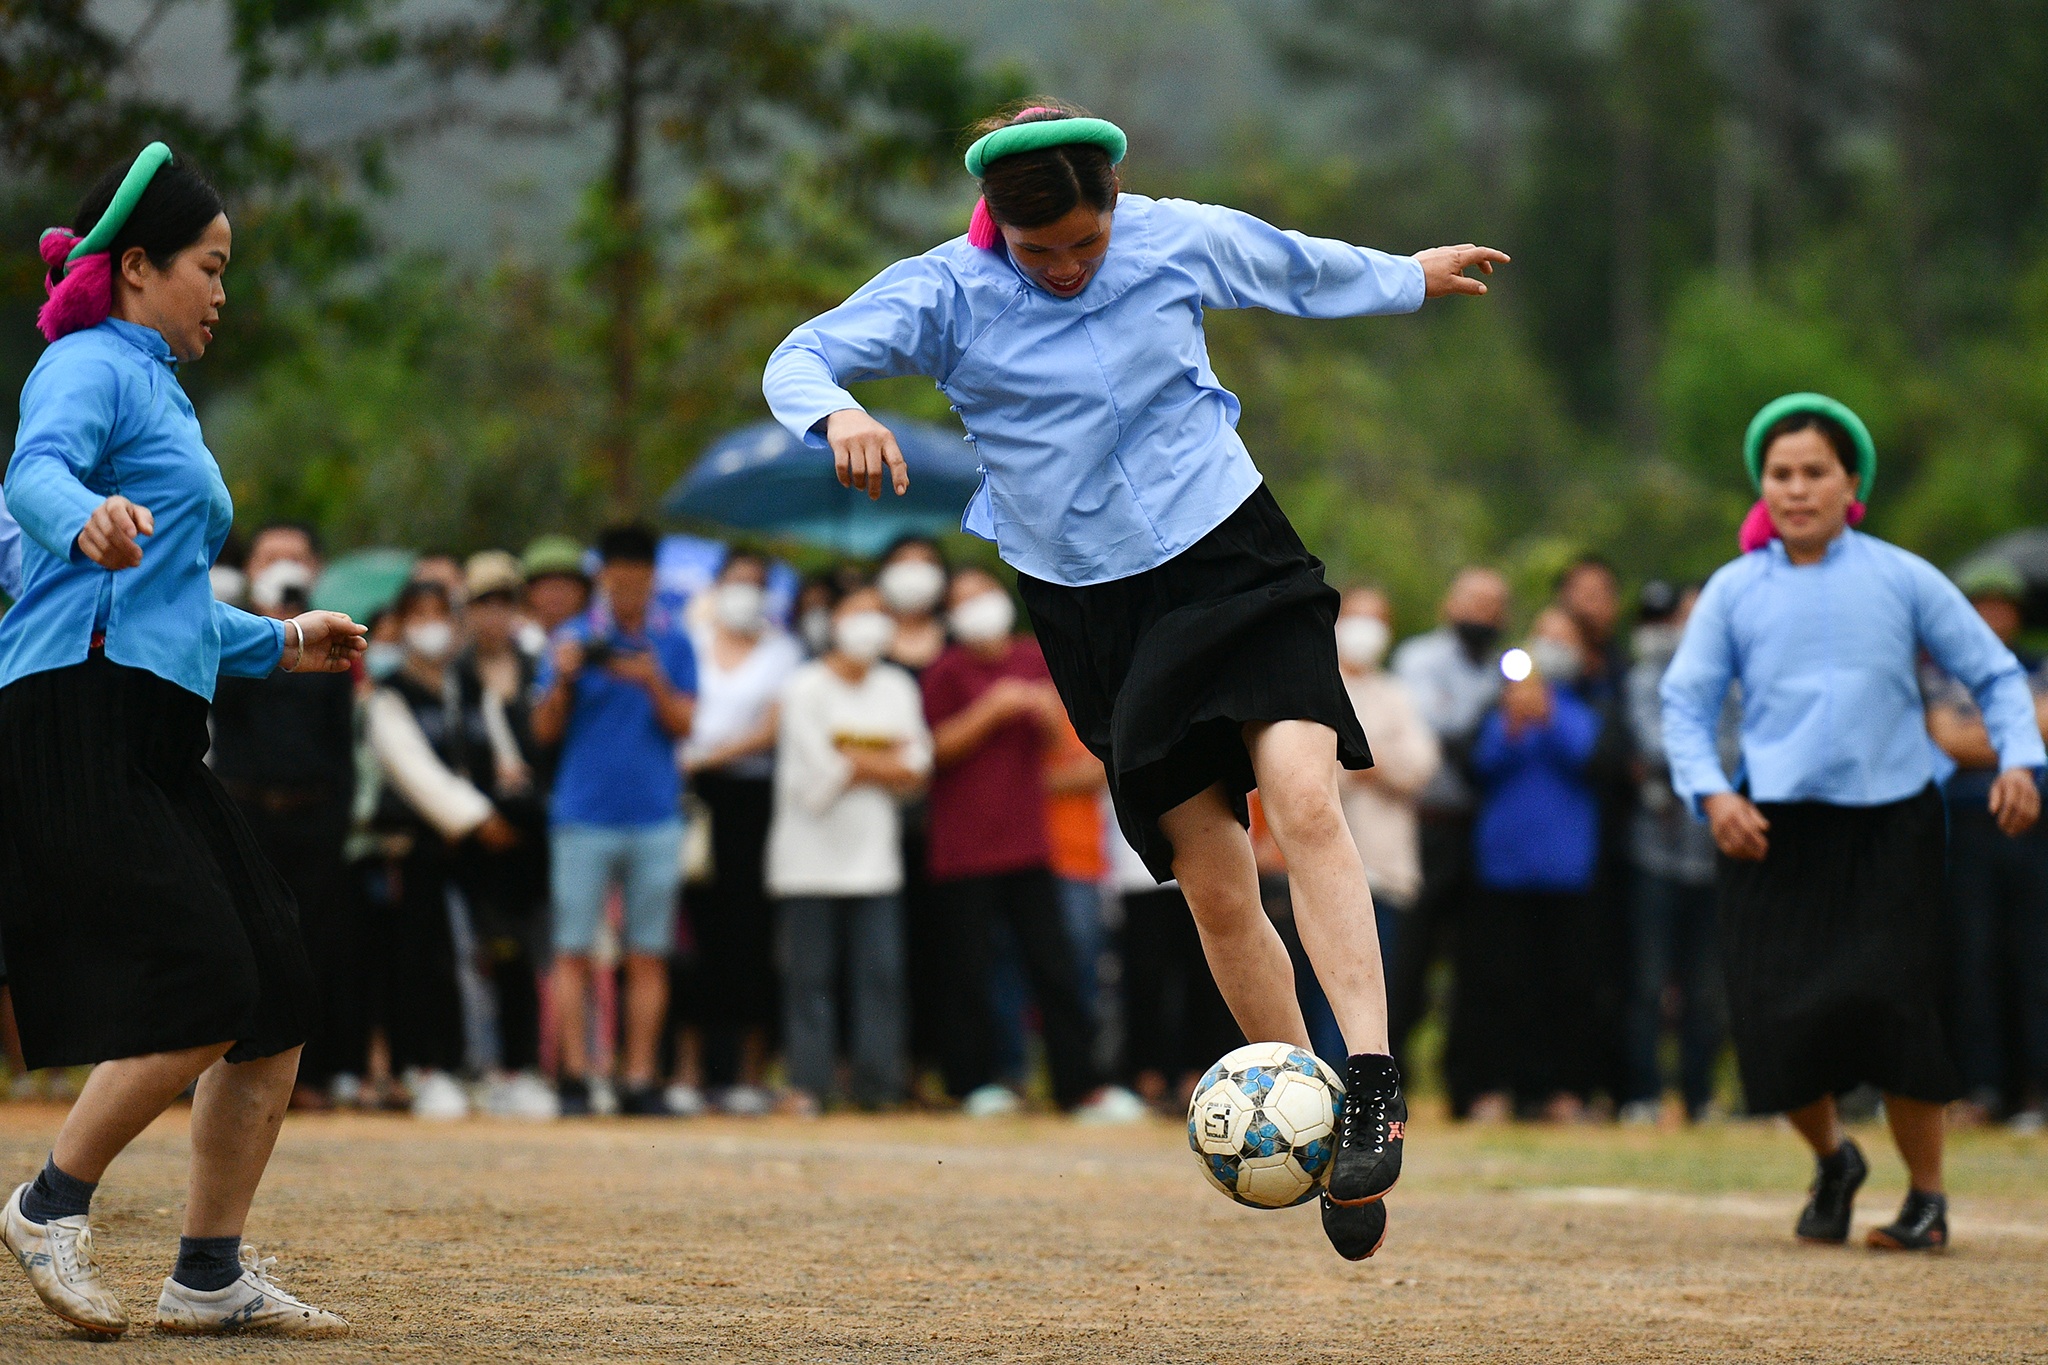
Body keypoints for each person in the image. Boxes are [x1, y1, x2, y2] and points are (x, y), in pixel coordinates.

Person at [762, 98, 1506, 1258]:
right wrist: (839, 411)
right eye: (1038, 250)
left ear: (1113, 205)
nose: (1064, 268)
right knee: (1210, 882)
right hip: (1089, 608)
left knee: (1303, 802)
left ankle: (1367, 1080)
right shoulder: (944, 294)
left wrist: (1408, 276)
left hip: (1230, 556)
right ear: (993, 228)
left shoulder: (1168, 236)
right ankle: (1298, 1117)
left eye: (1084, 244)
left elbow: (1291, 268)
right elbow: (797, 355)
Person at [0, 144, 361, 1337]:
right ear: (138, 265)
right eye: (208, 267)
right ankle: (49, 1204)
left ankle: (207, 1274)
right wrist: (80, 520)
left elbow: (167, 607)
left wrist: (282, 639)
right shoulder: (89, 364)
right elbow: (34, 475)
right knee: (202, 980)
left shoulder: (158, 385)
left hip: (149, 717)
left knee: (277, 992)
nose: (220, 290)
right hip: (76, 711)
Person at [1661, 393, 2045, 1252]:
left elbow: (1993, 672)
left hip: (1891, 824)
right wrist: (1713, 794)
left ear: (1850, 483)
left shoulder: (1901, 576)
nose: (1795, 489)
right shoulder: (1734, 589)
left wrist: (2020, 758)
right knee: (1774, 1017)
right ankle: (1835, 1159)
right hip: (1770, 827)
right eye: (1780, 473)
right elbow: (1683, 705)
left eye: (1814, 473)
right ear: (1763, 485)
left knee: (1895, 1007)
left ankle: (1928, 1199)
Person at [919, 567, 1133, 1120]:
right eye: (963, 600)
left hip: (1031, 844)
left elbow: (1067, 741)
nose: (977, 608)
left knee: (1055, 967)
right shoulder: (944, 672)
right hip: (963, 848)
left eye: (982, 595)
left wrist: (1041, 715)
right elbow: (931, 752)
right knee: (968, 970)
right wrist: (991, 710)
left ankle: (1078, 1085)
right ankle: (971, 1083)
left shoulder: (1034, 660)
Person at [531, 524, 697, 1117]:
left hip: (655, 815)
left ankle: (640, 1078)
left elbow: (685, 726)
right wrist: (567, 679)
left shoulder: (673, 641)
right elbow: (544, 732)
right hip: (583, 814)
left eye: (639, 582)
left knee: (648, 953)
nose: (628, 593)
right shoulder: (572, 639)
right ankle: (574, 1076)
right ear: (603, 578)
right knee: (572, 949)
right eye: (618, 581)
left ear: (653, 579)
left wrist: (652, 679)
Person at [209, 523, 361, 1113]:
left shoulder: (338, 637)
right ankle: (230, 1075)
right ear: (252, 569)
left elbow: (341, 740)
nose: (285, 567)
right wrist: (275, 632)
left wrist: (340, 819)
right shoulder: (228, 631)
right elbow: (227, 707)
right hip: (245, 810)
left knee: (313, 944)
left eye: (296, 558)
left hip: (314, 817)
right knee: (242, 944)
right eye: (273, 558)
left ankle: (309, 1074)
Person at [364, 580, 527, 1120]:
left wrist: (509, 797)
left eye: (441, 613)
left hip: (486, 853)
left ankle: (498, 1070)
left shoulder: (470, 685)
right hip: (422, 846)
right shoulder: (388, 693)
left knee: (494, 954)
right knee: (422, 959)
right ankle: (426, 1069)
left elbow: (503, 754)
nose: (431, 624)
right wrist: (477, 818)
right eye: (419, 613)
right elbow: (412, 770)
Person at [765, 584, 931, 1112]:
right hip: (806, 862)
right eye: (859, 611)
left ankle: (876, 1088)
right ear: (831, 619)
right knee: (809, 979)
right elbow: (818, 778)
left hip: (875, 862)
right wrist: (882, 760)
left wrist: (855, 757)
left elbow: (918, 769)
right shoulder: (803, 688)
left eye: (881, 612)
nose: (871, 623)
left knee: (880, 978)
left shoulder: (898, 686)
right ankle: (810, 1084)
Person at [1456, 609, 1602, 1122]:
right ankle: (1492, 1089)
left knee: (1568, 987)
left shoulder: (1583, 710)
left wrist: (1548, 717)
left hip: (1567, 871)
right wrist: (1513, 724)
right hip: (1503, 869)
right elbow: (1480, 767)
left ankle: (1564, 1092)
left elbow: (1588, 759)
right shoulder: (1497, 711)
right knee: (1498, 984)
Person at [1923, 560, 2048, 1129]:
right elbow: (1944, 738)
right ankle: (1983, 1086)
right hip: (1967, 830)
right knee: (1973, 960)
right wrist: (2018, 737)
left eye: (2001, 605)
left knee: (2034, 958)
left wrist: (1984, 737)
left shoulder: (2038, 667)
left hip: (2031, 831)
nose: (1992, 615)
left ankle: (2035, 1090)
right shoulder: (1940, 675)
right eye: (1980, 605)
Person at [679, 549, 803, 1112]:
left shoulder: (783, 653)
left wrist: (709, 756)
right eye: (735, 581)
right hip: (692, 803)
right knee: (693, 933)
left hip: (753, 803)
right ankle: (688, 1069)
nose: (744, 592)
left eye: (756, 582)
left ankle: (750, 1072)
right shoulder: (692, 643)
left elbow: (773, 729)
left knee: (750, 934)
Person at [1388, 567, 1509, 1105]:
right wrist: (1493, 722)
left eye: (1494, 607)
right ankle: (1392, 1077)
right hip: (1425, 827)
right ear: (1449, 604)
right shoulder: (1419, 659)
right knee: (1408, 959)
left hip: (1480, 830)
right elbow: (1432, 736)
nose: (1483, 617)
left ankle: (1465, 1082)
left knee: (1475, 964)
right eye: (1474, 603)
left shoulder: (1504, 671)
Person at [1619, 581, 1730, 1125]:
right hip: (1655, 854)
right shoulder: (1646, 678)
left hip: (1713, 854)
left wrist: (1688, 754)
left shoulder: (1732, 680)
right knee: (1648, 983)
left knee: (1707, 990)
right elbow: (1650, 741)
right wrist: (1705, 753)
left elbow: (1743, 749)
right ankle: (1643, 1095)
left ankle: (1699, 1095)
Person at [456, 551, 554, 1119]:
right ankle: (485, 1064)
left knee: (531, 953)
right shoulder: (454, 674)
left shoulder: (537, 665)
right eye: (483, 603)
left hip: (534, 831)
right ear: (467, 611)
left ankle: (527, 1065)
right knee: (485, 951)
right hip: (478, 830)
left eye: (504, 603)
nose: (494, 615)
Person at [1334, 587, 1440, 980]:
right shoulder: (1316, 688)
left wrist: (1365, 761)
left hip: (1384, 872)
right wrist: (1378, 759)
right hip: (1318, 873)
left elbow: (1422, 764)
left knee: (1374, 986)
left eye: (1376, 619)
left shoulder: (1395, 694)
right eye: (1357, 616)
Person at [521, 534, 591, 641]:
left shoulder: (601, 637)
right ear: (529, 592)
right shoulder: (516, 640)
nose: (557, 595)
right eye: (548, 587)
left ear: (583, 592)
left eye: (565, 586)